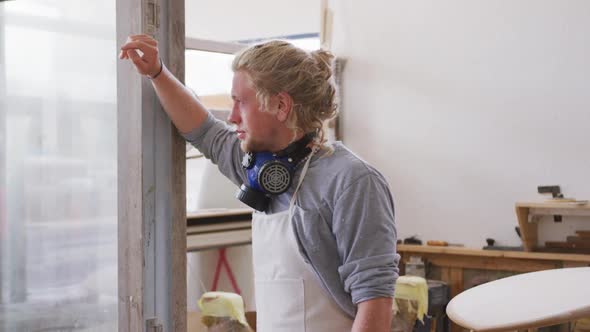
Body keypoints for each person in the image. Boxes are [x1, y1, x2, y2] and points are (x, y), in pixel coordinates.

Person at [120, 34, 400, 332]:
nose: (232, 116)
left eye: (241, 102)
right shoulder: (259, 169)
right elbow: (204, 132)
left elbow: (376, 305)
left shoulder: (352, 182)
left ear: (281, 105)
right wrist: (157, 73)